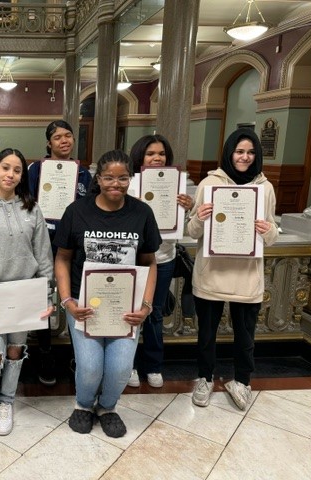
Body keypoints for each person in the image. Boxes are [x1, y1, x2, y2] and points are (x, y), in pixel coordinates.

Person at [54, 150, 160, 438]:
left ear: (131, 179)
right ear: (98, 179)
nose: (116, 183)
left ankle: (108, 407)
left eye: (123, 178)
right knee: (89, 368)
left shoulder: (142, 213)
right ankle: (84, 405)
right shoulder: (77, 211)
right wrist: (67, 301)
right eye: (109, 178)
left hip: (126, 307)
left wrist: (146, 306)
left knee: (121, 368)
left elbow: (150, 262)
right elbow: (62, 258)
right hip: (83, 304)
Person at [188, 128, 278, 410]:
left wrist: (267, 230)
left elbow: (273, 231)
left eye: (251, 152)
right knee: (206, 335)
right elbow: (192, 231)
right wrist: (201, 219)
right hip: (212, 272)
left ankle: (242, 380)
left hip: (247, 275)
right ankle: (204, 378)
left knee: (245, 335)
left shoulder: (265, 188)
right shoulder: (209, 184)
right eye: (239, 151)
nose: (245, 157)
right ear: (229, 153)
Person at [0, 148, 54, 436]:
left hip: (25, 294)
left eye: (17, 170)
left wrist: (48, 296)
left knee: (16, 352)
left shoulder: (32, 208)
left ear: (21, 176)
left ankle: (7, 402)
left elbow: (43, 255)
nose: (10, 174)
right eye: (5, 168)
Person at [27, 120, 92, 386]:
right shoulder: (35, 170)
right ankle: (44, 353)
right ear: (48, 143)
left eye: (68, 136)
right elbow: (26, 204)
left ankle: (79, 354)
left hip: (74, 247)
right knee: (43, 299)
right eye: (57, 137)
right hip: (42, 243)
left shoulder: (84, 173)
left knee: (74, 295)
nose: (64, 141)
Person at [127, 134, 194, 389]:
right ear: (140, 157)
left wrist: (188, 207)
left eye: (161, 154)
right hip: (133, 260)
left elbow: (186, 228)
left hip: (164, 258)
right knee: (132, 312)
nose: (157, 158)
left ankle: (153, 365)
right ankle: (129, 364)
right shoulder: (131, 183)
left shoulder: (177, 183)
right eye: (150, 154)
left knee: (154, 313)